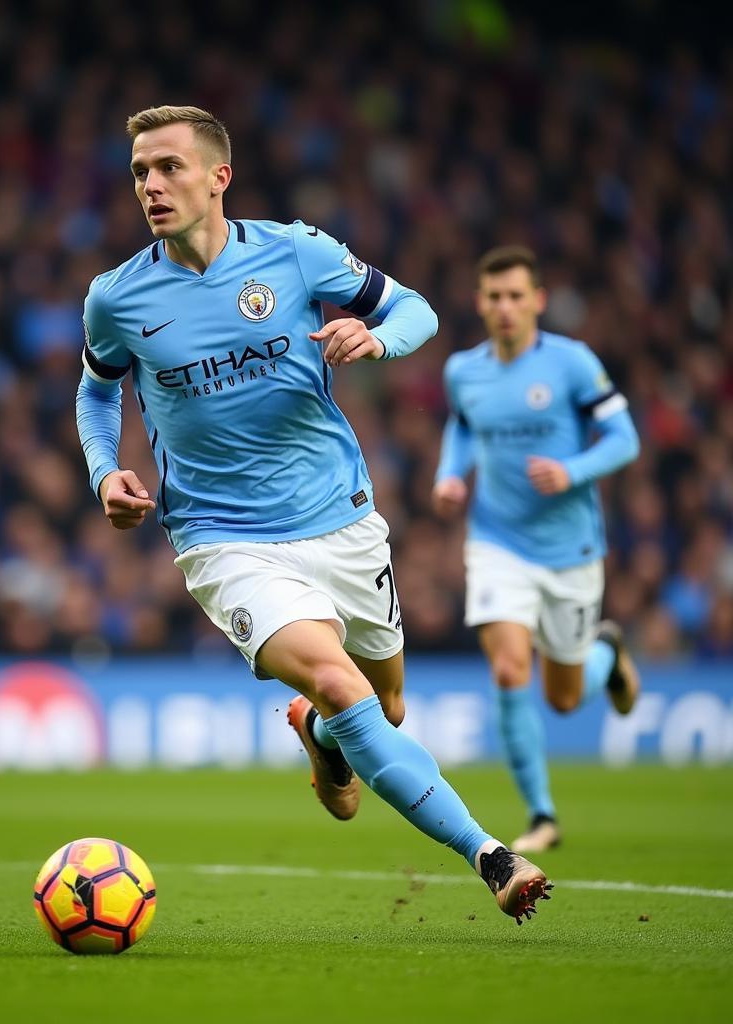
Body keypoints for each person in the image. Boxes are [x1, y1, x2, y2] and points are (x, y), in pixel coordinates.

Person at [76, 105, 552, 924]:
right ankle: (490, 853)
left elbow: (417, 310)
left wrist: (378, 342)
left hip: (340, 517)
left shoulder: (295, 253)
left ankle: (326, 741)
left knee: (384, 707)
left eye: (169, 168)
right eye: (140, 173)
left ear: (219, 177)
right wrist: (104, 470)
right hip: (223, 539)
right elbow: (95, 388)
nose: (151, 185)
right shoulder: (117, 298)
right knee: (338, 680)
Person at [432, 245, 641, 854]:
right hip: (496, 541)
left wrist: (572, 471)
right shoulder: (463, 371)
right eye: (494, 297)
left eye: (516, 296)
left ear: (538, 302)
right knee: (507, 669)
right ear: (479, 302)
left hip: (570, 548)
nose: (504, 308)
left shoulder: (573, 365)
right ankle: (541, 814)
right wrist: (451, 473)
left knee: (566, 696)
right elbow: (464, 425)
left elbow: (624, 438)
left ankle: (607, 652)